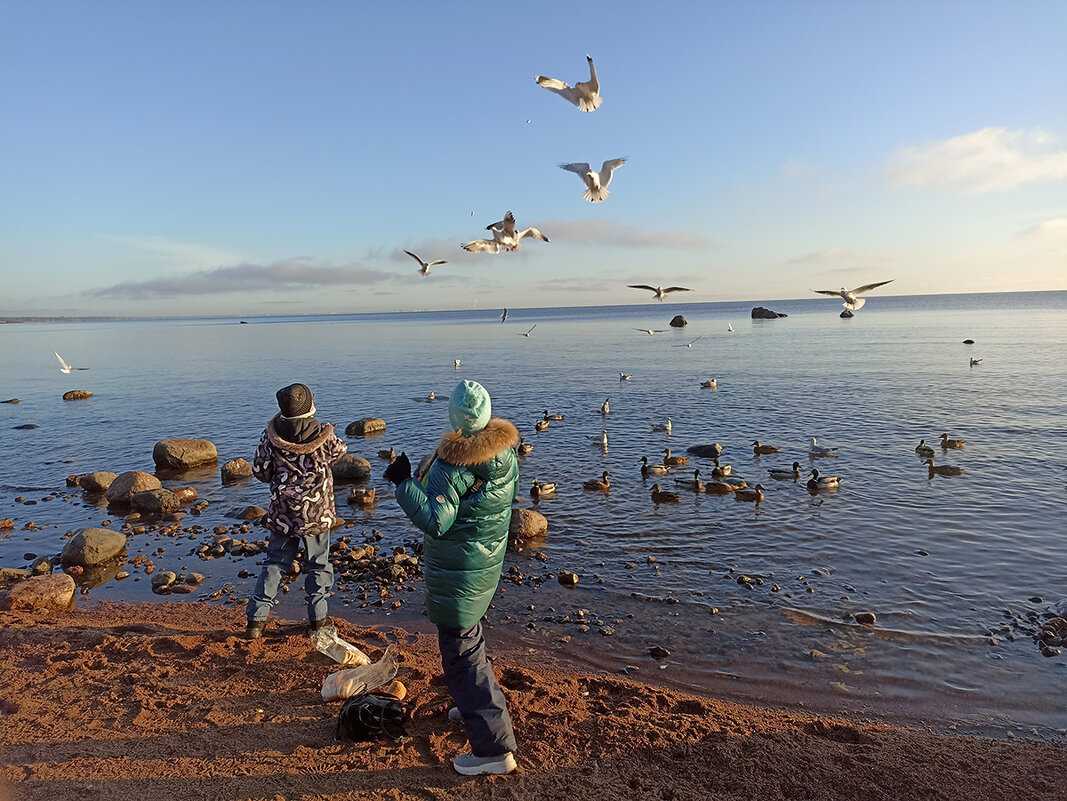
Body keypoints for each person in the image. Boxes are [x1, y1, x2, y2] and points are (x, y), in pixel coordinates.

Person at [384, 379, 519, 776]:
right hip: (484, 562)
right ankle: (471, 705)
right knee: (469, 635)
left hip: (458, 569)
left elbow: (435, 521)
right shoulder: (504, 453)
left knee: (459, 653)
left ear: (456, 418)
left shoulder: (453, 464)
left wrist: (404, 483)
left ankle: (494, 750)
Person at [245, 383, 347, 639]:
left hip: (283, 513)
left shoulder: (271, 437)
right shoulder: (324, 436)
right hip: (317, 513)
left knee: (275, 563)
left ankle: (256, 622)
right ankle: (318, 621)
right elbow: (340, 452)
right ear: (311, 407)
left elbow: (260, 471)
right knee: (319, 565)